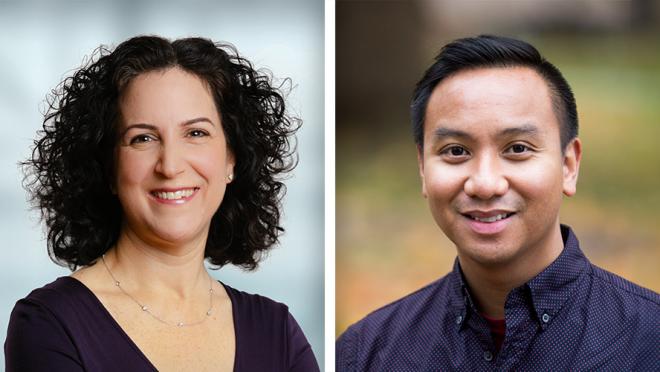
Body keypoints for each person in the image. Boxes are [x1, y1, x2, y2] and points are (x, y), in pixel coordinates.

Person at [336, 35, 659, 370]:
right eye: (456, 151)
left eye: (517, 148)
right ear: (422, 168)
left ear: (568, 165)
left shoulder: (649, 341)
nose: (485, 184)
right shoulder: (367, 353)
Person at [5, 35, 319, 372]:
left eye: (196, 133)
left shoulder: (277, 333)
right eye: (142, 138)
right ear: (109, 168)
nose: (170, 166)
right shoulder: (50, 325)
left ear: (232, 158)